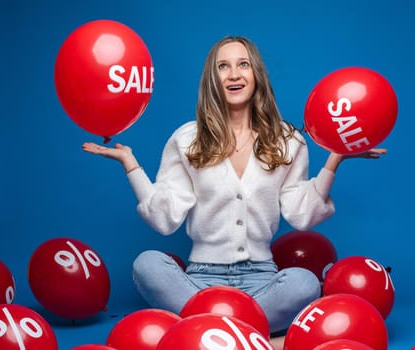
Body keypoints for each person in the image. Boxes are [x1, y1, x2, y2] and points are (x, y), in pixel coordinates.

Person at [83, 36, 386, 347]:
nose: (234, 74)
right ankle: (257, 339)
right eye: (223, 67)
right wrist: (131, 165)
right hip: (199, 280)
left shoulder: (288, 138)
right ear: (212, 79)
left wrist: (334, 159)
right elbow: (164, 219)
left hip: (264, 281)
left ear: (256, 73)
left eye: (243, 64)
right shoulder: (187, 138)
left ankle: (204, 334)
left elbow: (302, 213)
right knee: (145, 264)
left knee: (305, 283)